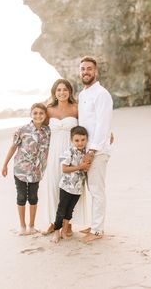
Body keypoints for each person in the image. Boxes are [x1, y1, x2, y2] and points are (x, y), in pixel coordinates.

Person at [40, 79, 90, 235]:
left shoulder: (76, 108)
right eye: (59, 90)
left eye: (65, 89)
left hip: (72, 152)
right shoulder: (48, 110)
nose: (62, 92)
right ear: (54, 92)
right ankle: (54, 223)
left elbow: (88, 126)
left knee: (72, 188)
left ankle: (69, 224)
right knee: (54, 186)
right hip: (54, 152)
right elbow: (37, 125)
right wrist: (20, 133)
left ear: (70, 92)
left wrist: (107, 133)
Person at [1, 103, 50, 236]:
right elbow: (13, 147)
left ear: (45, 115)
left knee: (33, 197)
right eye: (35, 113)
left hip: (37, 171)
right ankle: (22, 226)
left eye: (41, 113)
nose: (38, 115)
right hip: (21, 169)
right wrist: (5, 164)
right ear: (31, 114)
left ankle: (32, 226)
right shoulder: (22, 130)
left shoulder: (47, 131)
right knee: (21, 196)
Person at [78, 56, 113, 242]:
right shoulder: (83, 94)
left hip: (97, 151)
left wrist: (92, 151)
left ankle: (98, 230)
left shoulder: (102, 94)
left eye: (89, 68)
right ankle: (94, 224)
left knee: (97, 190)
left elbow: (103, 124)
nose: (86, 72)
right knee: (92, 189)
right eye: (83, 69)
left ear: (96, 71)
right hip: (86, 150)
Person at [51, 126, 90, 243]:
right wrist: (80, 167)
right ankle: (56, 231)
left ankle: (64, 230)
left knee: (70, 210)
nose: (80, 143)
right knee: (61, 210)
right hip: (66, 187)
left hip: (78, 188)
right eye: (77, 140)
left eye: (83, 140)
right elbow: (64, 169)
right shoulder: (68, 152)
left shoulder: (86, 153)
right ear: (71, 140)